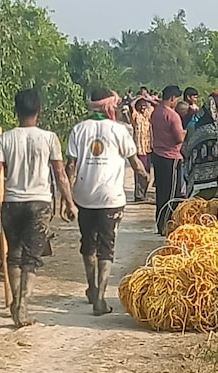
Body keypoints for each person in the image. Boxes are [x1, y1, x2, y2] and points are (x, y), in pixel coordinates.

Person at [0, 88, 77, 327]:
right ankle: (22, 304)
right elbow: (60, 173)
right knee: (30, 259)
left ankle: (15, 301)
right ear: (39, 111)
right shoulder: (49, 138)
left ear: (16, 111)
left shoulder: (5, 138)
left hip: (11, 202)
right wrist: (69, 202)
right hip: (39, 203)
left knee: (14, 255)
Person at [65, 88, 147, 316]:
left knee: (87, 244)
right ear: (110, 107)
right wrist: (144, 176)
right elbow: (135, 162)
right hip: (111, 198)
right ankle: (100, 298)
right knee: (106, 247)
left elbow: (70, 166)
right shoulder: (118, 130)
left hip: (84, 197)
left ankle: (91, 288)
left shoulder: (78, 130)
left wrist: (67, 197)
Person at [150, 85, 187, 235]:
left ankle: (160, 224)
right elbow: (179, 138)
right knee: (172, 194)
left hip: (158, 155)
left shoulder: (155, 113)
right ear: (172, 98)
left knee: (161, 192)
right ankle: (168, 225)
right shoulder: (172, 115)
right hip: (171, 157)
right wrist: (187, 133)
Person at [182, 94, 218, 198]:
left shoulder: (196, 126)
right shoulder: (212, 130)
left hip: (194, 175)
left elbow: (185, 148)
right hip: (211, 181)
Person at [131, 97, 154, 201]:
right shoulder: (136, 117)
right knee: (140, 172)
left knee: (147, 172)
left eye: (144, 106)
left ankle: (143, 193)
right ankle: (139, 195)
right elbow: (131, 105)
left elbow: (156, 106)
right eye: (140, 106)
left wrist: (148, 99)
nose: (143, 108)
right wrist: (139, 98)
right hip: (139, 149)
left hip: (148, 148)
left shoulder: (148, 116)